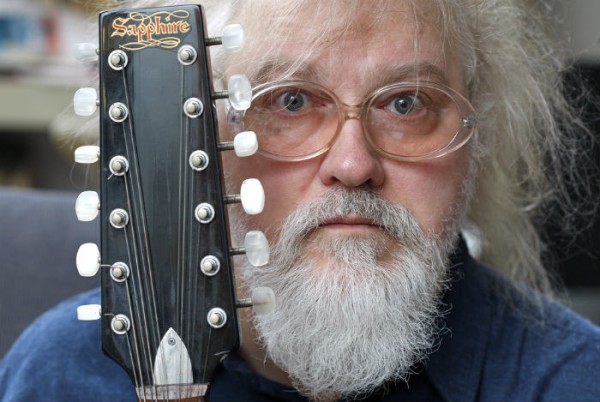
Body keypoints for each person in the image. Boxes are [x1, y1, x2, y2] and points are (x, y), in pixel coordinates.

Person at [1, 0, 599, 401]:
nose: (353, 165)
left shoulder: (571, 380)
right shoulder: (60, 375)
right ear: (194, 134)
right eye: (289, 101)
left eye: (407, 104)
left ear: (477, 139)